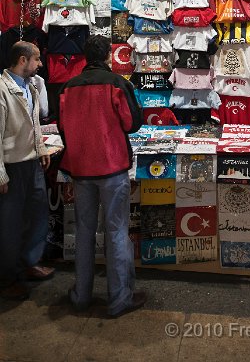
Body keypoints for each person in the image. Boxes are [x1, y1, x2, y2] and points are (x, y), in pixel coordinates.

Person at [58, 35, 145, 318]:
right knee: (117, 231)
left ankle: (81, 295)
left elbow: (62, 127)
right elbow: (132, 123)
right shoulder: (117, 84)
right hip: (112, 167)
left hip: (81, 170)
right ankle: (119, 299)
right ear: (108, 56)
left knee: (84, 232)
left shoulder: (68, 87)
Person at [0, 41, 54, 300]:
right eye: (36, 59)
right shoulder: (2, 89)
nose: (40, 64)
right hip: (12, 164)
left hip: (31, 161)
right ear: (23, 60)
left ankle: (30, 262)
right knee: (10, 223)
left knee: (37, 213)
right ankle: (9, 276)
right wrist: (0, 172)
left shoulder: (31, 85)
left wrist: (41, 149)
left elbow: (34, 122)